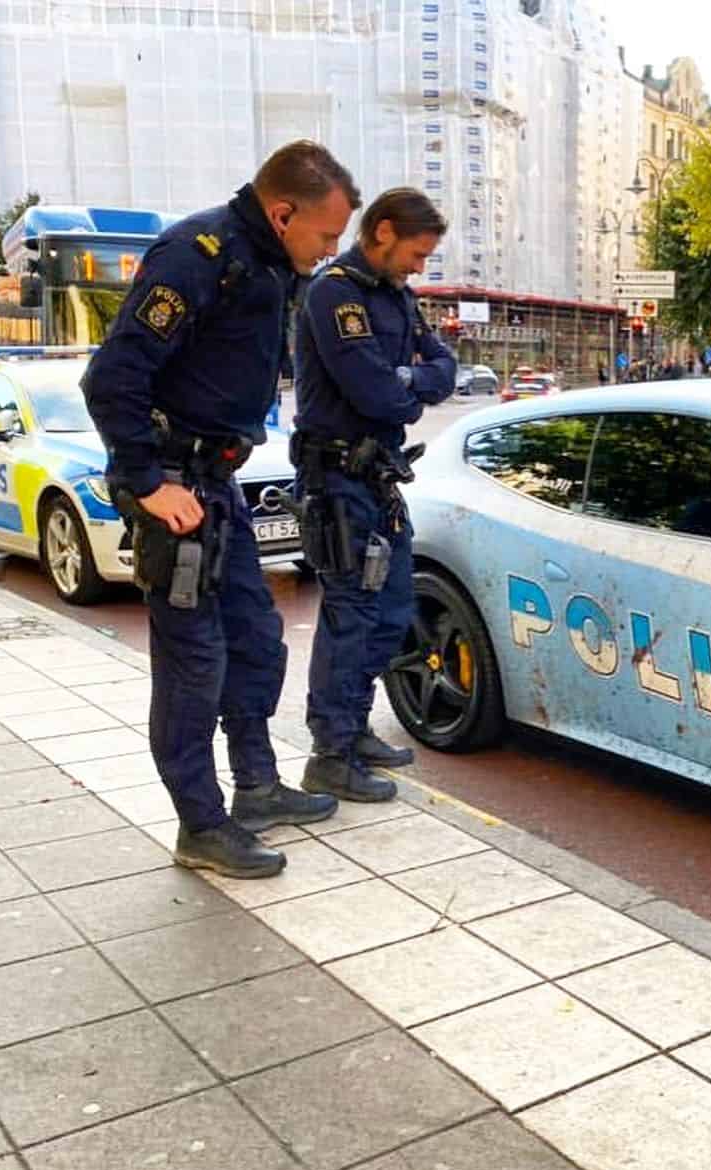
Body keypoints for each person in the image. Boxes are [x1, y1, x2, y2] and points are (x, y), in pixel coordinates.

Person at [82, 141, 356, 878]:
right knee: (193, 666)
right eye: (326, 236)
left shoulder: (268, 261)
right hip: (176, 491)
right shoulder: (196, 257)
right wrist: (146, 481)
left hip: (218, 486)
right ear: (282, 211)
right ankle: (200, 826)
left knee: (259, 641)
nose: (332, 253)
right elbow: (111, 379)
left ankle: (257, 788)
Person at [294, 188, 457, 801]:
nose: (420, 267)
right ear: (383, 232)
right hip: (337, 480)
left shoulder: (396, 295)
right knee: (351, 615)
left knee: (390, 613)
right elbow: (376, 396)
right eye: (417, 253)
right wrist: (411, 385)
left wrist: (408, 380)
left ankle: (354, 728)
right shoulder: (334, 292)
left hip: (379, 479)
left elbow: (447, 369)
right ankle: (329, 753)